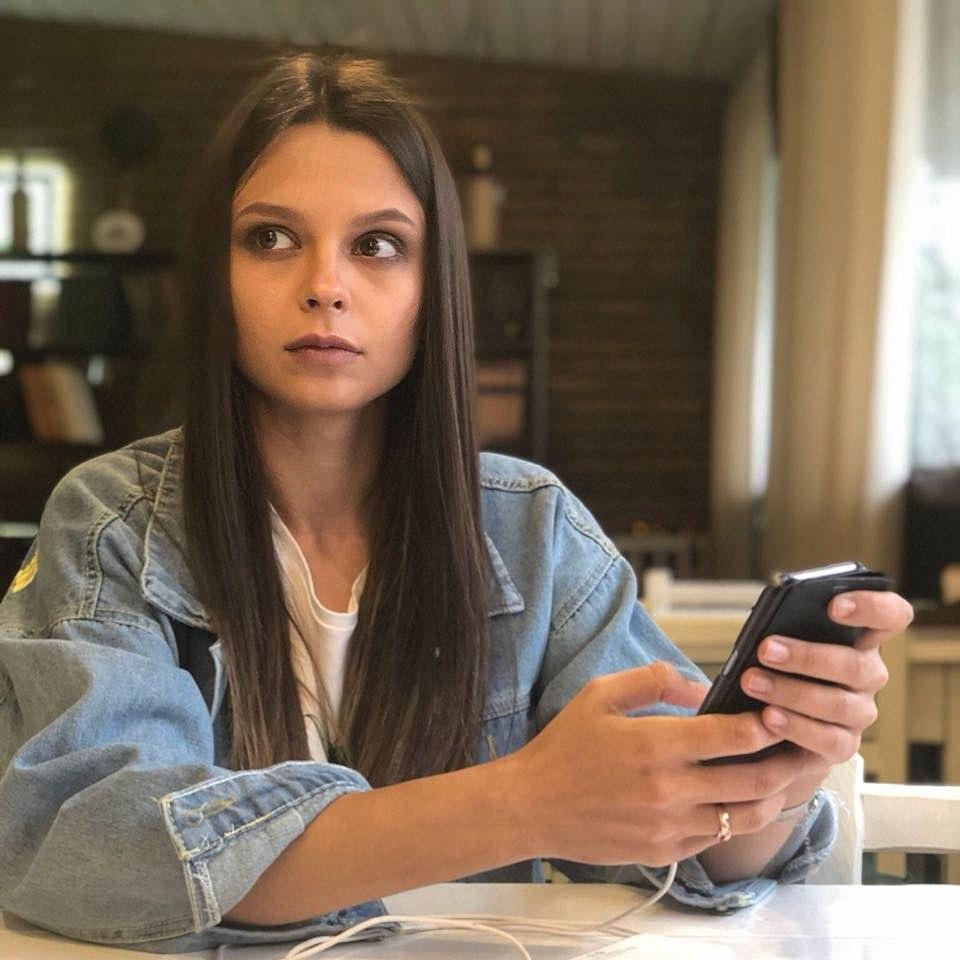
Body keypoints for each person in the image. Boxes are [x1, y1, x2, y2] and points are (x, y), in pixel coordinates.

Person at [0, 52, 912, 953]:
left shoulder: (531, 527)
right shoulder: (112, 523)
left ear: (432, 288)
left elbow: (693, 846)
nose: (325, 285)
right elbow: (96, 848)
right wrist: (520, 803)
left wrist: (783, 763)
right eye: (271, 238)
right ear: (214, 274)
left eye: (377, 245)